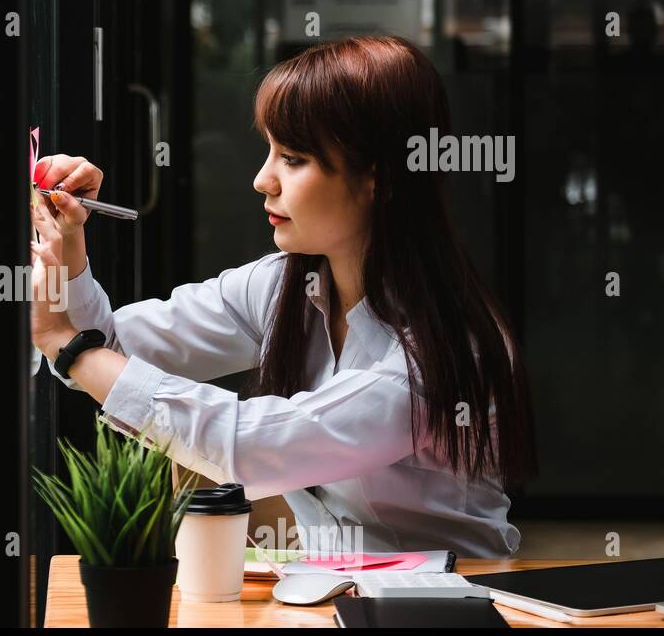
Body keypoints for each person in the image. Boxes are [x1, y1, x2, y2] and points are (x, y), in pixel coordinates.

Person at [28, 35, 536, 559]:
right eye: (269, 151)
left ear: (377, 181)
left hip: (448, 603)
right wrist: (67, 248)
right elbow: (112, 350)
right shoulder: (284, 287)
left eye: (292, 158)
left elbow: (252, 448)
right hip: (332, 593)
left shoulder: (445, 346)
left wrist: (69, 345)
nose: (261, 180)